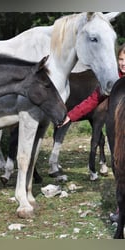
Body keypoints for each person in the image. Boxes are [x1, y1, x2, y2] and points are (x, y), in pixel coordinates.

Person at [59, 43, 125, 224]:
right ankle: (121, 210)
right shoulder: (111, 81)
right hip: (116, 134)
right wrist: (71, 116)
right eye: (120, 59)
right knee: (118, 170)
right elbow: (92, 100)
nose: (123, 63)